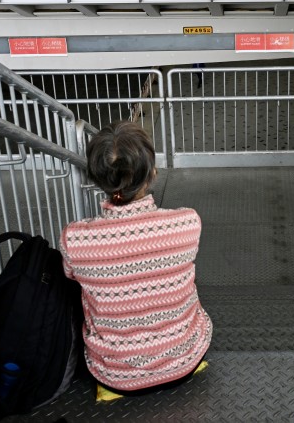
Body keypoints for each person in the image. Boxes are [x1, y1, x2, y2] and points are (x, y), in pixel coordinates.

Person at [60, 122, 212, 399]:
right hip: (185, 361)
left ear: (97, 178)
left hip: (114, 375)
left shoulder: (75, 239)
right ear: (151, 173)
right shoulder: (187, 221)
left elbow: (70, 275)